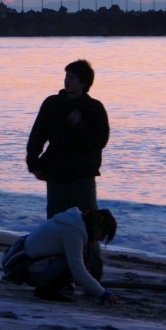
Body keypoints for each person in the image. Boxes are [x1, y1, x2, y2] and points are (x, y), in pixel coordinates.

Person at [26, 59, 110, 219]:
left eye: (72, 78)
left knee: (87, 223)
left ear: (83, 82)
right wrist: (33, 163)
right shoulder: (52, 104)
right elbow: (37, 135)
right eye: (66, 76)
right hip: (56, 172)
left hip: (82, 174)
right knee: (56, 222)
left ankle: (88, 245)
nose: (67, 81)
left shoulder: (94, 108)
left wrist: (80, 125)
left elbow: (100, 141)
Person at [21, 207, 119, 306]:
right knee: (74, 262)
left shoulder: (72, 222)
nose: (101, 240)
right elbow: (78, 271)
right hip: (30, 271)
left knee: (77, 257)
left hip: (27, 264)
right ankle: (47, 291)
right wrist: (103, 294)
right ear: (98, 228)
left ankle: (51, 288)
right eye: (104, 235)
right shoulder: (73, 233)